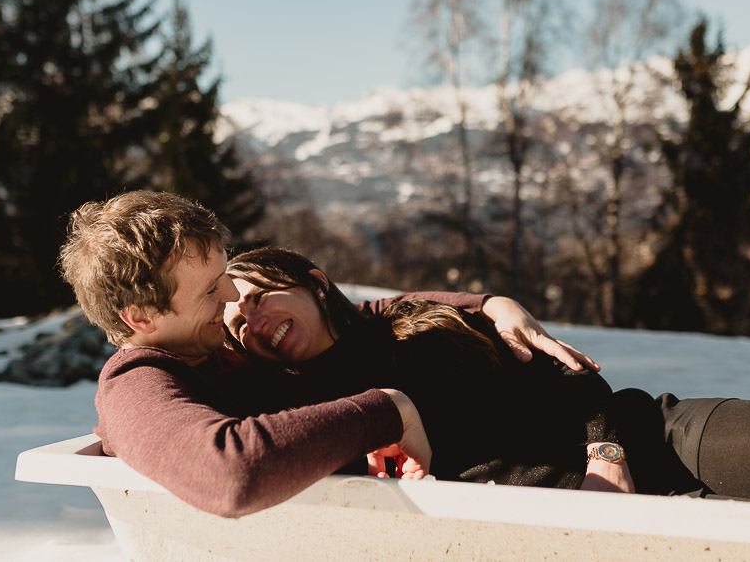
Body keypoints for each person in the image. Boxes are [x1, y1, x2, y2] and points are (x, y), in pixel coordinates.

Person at [225, 246, 750, 510]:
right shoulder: (306, 413)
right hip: (562, 526)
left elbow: (571, 376)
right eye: (236, 325)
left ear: (314, 282)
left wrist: (607, 455)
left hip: (652, 441)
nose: (252, 320)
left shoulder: (419, 320)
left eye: (259, 297)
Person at [58, 190, 596, 518]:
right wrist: (387, 408)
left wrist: (490, 304)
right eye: (209, 291)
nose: (229, 300)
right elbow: (232, 474)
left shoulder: (207, 344)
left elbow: (362, 312)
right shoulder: (137, 384)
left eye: (225, 278)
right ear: (140, 318)